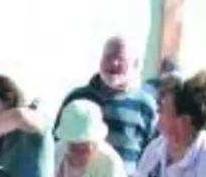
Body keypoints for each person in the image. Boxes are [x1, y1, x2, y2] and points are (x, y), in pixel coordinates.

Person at [56, 35, 158, 169]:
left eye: (120, 59)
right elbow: (57, 143)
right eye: (108, 56)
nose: (113, 63)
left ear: (136, 64)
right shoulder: (77, 98)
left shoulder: (146, 106)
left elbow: (153, 157)